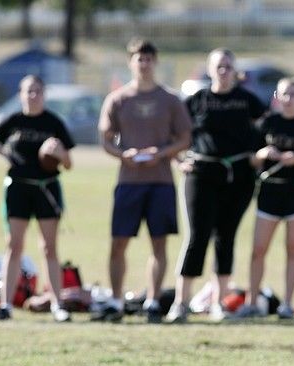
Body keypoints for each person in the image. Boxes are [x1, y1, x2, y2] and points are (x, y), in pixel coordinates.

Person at [165, 48, 266, 323]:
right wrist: (177, 159)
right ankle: (181, 302)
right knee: (197, 236)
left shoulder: (248, 101)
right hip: (201, 174)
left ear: (235, 70)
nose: (223, 71)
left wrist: (259, 156)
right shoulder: (197, 100)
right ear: (209, 70)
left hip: (239, 177)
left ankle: (218, 303)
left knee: (226, 237)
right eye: (218, 66)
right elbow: (171, 132)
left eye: (228, 66)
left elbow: (268, 130)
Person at [98, 38, 192, 323]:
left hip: (160, 182)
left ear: (156, 62)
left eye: (149, 58)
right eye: (139, 58)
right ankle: (116, 301)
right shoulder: (118, 99)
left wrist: (161, 153)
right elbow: (105, 138)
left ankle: (152, 301)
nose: (144, 63)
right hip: (129, 181)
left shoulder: (170, 99)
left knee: (159, 244)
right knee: (118, 243)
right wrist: (122, 154)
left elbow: (185, 138)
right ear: (131, 62)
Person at [0, 74, 74, 323]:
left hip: (46, 188)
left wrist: (59, 153)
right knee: (14, 246)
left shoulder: (53, 123)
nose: (33, 96)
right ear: (21, 94)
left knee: (49, 247)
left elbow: (68, 164)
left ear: (44, 94)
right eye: (29, 91)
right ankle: (5, 305)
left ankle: (57, 304)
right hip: (18, 189)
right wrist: (8, 154)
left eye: (37, 91)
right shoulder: (14, 121)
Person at [235, 78, 294, 319]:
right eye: (284, 94)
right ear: (277, 96)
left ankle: (287, 304)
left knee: (292, 249)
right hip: (269, 193)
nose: (288, 99)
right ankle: (252, 302)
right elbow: (251, 159)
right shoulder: (267, 123)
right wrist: (263, 154)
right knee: (258, 249)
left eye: (293, 94)